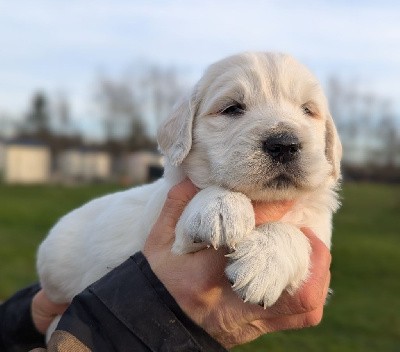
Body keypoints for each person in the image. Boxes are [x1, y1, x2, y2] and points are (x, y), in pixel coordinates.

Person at [0, 179, 331, 351]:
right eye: (231, 109)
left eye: (308, 110)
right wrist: (155, 320)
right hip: (65, 269)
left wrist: (29, 318)